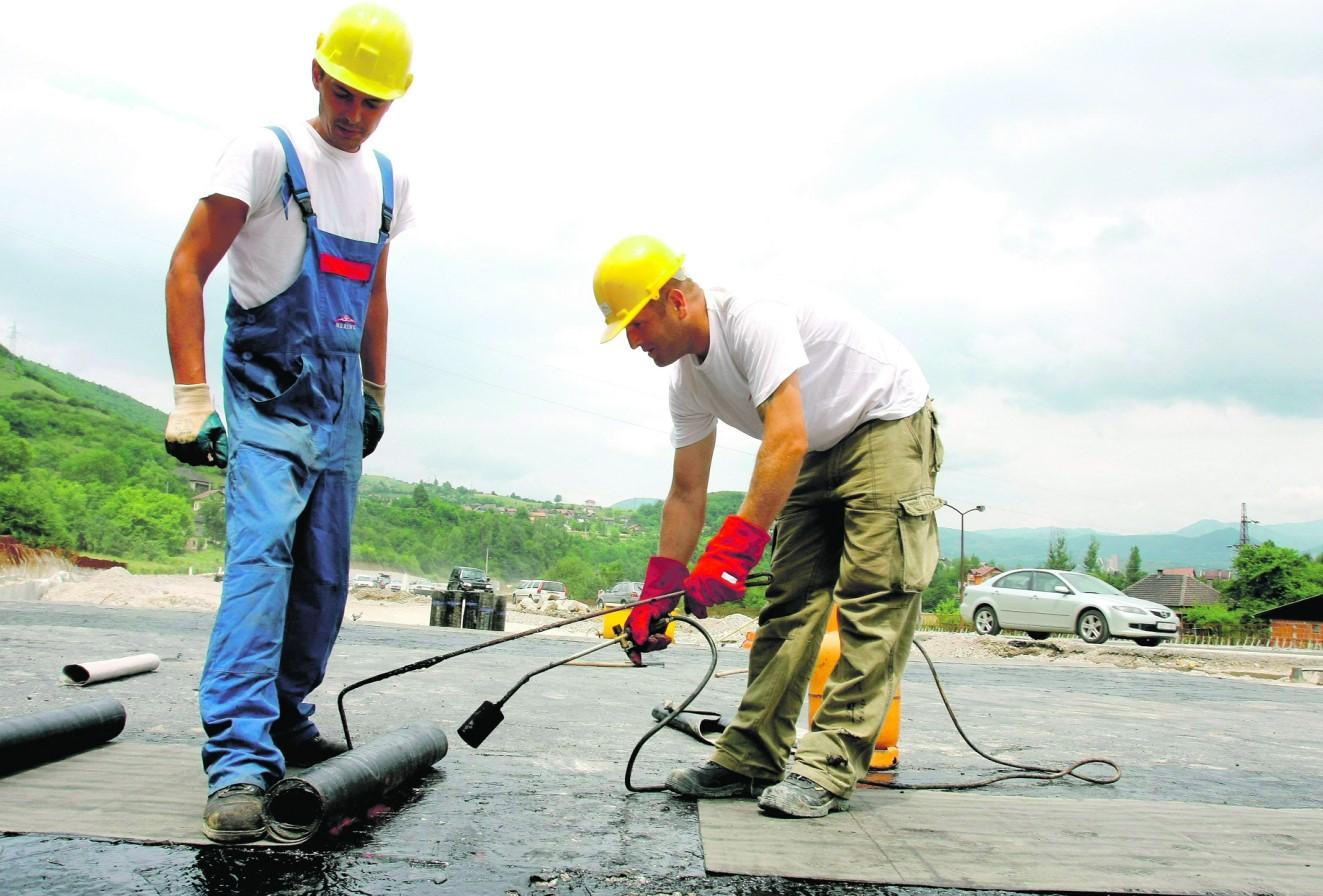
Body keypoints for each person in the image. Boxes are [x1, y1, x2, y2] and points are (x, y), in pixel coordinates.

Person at [162, 3, 416, 843]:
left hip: (340, 396)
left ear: (394, 101)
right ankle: (236, 757)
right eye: (342, 93)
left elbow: (374, 290)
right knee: (262, 563)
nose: (352, 114)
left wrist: (376, 388)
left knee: (323, 575)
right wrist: (192, 394)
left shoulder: (388, 181)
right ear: (317, 74)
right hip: (267, 391)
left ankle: (285, 713)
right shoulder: (265, 151)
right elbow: (189, 263)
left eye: (371, 103)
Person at [593, 235, 942, 819]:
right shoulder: (687, 383)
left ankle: (827, 764)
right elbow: (686, 492)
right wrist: (661, 588)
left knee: (872, 595)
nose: (632, 342)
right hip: (812, 445)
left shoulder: (753, 316)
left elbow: (785, 436)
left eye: (636, 324)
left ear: (676, 302)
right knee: (790, 601)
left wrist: (731, 556)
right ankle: (751, 756)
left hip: (883, 419)